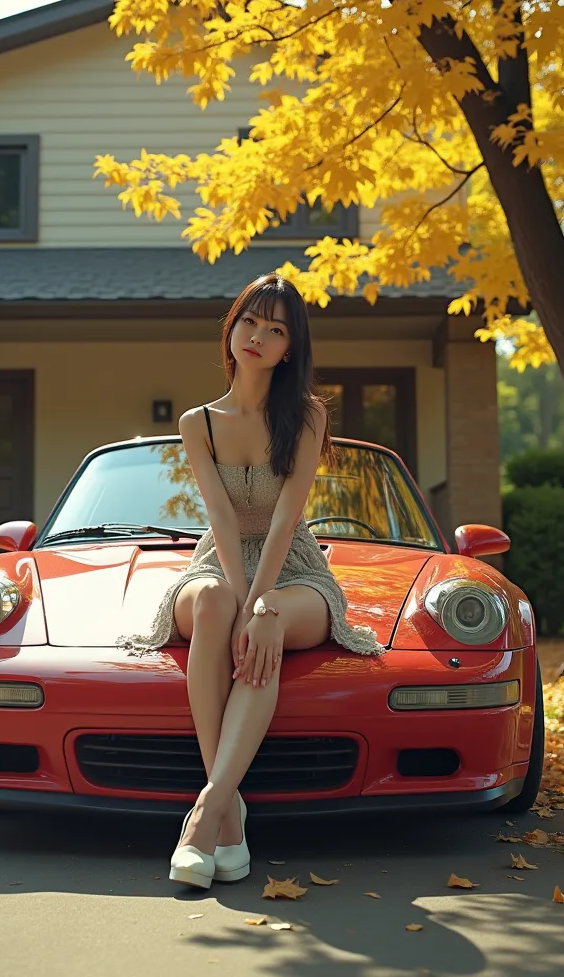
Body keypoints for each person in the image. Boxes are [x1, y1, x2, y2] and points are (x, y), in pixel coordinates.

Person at [117, 273, 385, 890]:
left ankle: (206, 814)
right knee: (212, 602)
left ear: (290, 348)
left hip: (295, 569)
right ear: (231, 330)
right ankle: (229, 815)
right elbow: (219, 518)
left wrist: (260, 600)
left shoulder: (308, 415)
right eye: (249, 321)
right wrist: (238, 597)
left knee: (262, 622)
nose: (258, 336)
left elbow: (287, 518)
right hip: (219, 559)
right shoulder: (198, 422)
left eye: (276, 329)